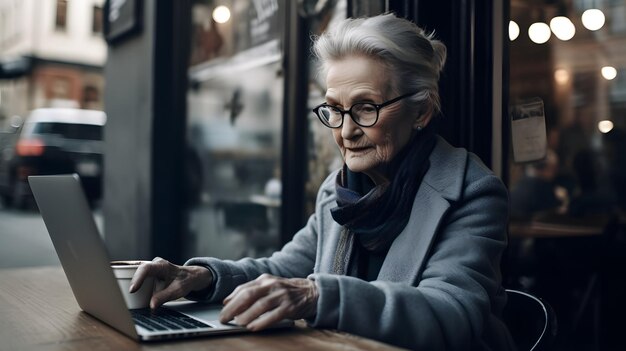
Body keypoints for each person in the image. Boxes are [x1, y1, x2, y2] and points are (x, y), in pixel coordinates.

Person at [130, 13, 514, 350]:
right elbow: (285, 269)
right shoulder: (340, 188)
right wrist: (202, 277)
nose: (346, 131)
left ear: (422, 110)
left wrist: (318, 294)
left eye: (366, 108)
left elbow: (452, 315)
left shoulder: (472, 191)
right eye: (333, 109)